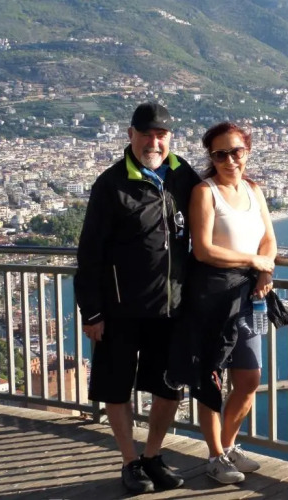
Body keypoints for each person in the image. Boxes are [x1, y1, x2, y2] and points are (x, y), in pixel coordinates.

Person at [74, 102, 201, 494]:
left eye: (161, 135)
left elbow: (213, 216)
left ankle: (152, 456)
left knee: (168, 386)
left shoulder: (183, 175)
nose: (153, 142)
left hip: (172, 306)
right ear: (130, 135)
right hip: (120, 309)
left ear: (171, 138)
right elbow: (90, 252)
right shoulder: (111, 184)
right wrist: (92, 311)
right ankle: (129, 461)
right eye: (146, 134)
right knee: (116, 386)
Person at [187, 121, 277, 484]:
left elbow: (269, 239)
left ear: (247, 152)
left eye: (235, 152)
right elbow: (203, 250)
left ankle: (228, 446)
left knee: (249, 378)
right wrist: (254, 261)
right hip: (212, 297)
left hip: (250, 296)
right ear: (211, 157)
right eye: (220, 154)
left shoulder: (254, 190)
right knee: (212, 379)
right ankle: (215, 455)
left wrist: (266, 269)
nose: (229, 160)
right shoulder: (205, 192)